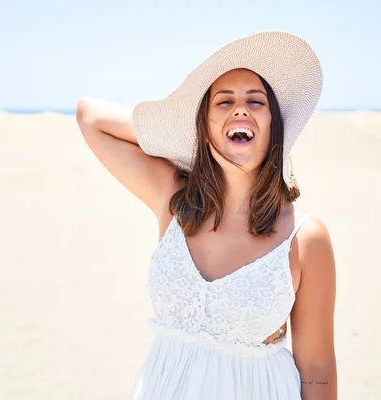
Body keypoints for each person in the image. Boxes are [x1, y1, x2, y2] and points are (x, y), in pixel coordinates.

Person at [76, 31, 337, 400]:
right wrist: (184, 136)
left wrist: (213, 130)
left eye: (255, 101)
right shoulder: (174, 201)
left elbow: (317, 369)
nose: (240, 109)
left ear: (275, 124)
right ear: (205, 123)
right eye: (224, 101)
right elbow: (90, 117)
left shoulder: (305, 238)